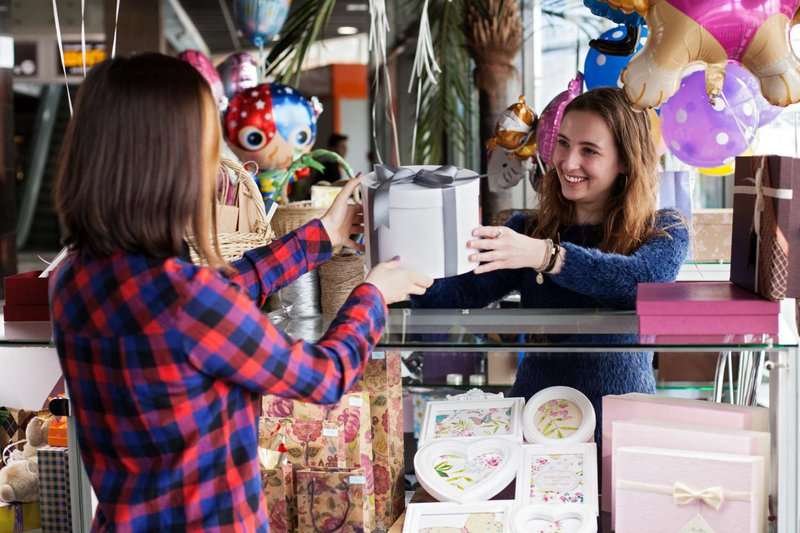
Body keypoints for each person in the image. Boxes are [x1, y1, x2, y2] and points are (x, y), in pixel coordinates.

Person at [50, 53, 432, 531]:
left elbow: (215, 297)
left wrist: (322, 237)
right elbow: (325, 376)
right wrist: (373, 293)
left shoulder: (74, 279)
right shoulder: (189, 301)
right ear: (172, 166)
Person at [412, 87, 689, 440]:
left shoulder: (665, 229)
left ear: (624, 161)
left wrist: (548, 257)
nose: (568, 162)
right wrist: (399, 252)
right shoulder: (528, 230)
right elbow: (453, 295)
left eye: (589, 150)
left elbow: (642, 282)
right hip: (535, 423)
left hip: (621, 428)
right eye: (563, 143)